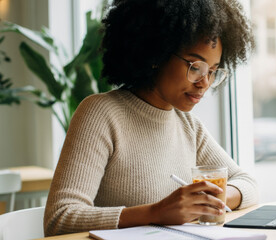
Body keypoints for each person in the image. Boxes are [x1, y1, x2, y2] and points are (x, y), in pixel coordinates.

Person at [43, 0, 258, 236]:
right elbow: (60, 217)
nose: (204, 82)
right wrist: (156, 212)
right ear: (156, 53)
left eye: (213, 70)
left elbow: (247, 183)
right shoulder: (101, 114)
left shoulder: (188, 126)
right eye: (195, 66)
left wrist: (213, 199)